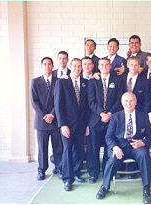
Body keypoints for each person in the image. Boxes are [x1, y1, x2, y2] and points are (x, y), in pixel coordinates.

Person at [96, 92, 151, 204]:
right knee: (112, 160)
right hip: (120, 147)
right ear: (122, 103)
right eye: (126, 101)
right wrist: (114, 147)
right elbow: (108, 136)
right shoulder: (115, 117)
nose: (129, 103)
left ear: (136, 102)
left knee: (144, 155)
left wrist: (142, 142)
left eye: (131, 101)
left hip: (136, 146)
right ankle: (104, 187)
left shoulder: (143, 116)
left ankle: (146, 189)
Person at [54, 58, 89, 191]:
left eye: (79, 66)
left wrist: (86, 125)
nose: (77, 68)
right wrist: (63, 124)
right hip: (67, 125)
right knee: (68, 149)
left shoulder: (85, 83)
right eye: (74, 66)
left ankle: (76, 172)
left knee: (79, 150)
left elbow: (85, 107)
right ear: (70, 66)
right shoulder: (61, 82)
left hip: (80, 125)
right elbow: (58, 106)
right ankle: (68, 179)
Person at [87, 58, 124, 183]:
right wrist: (101, 113)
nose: (104, 66)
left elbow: (120, 99)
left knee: (110, 147)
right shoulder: (92, 81)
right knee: (93, 148)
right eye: (101, 64)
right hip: (95, 120)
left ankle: (109, 171)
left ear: (110, 66)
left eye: (106, 64)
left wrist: (109, 113)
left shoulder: (118, 80)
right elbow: (90, 101)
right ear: (98, 66)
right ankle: (93, 173)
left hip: (112, 119)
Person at [30, 57, 62, 180]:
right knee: (42, 148)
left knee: (58, 147)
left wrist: (52, 114)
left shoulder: (58, 81)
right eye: (45, 64)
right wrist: (45, 115)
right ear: (42, 66)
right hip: (41, 121)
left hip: (55, 119)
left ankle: (59, 168)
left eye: (49, 64)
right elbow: (34, 101)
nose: (47, 66)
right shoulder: (35, 81)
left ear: (53, 66)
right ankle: (41, 170)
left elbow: (59, 101)